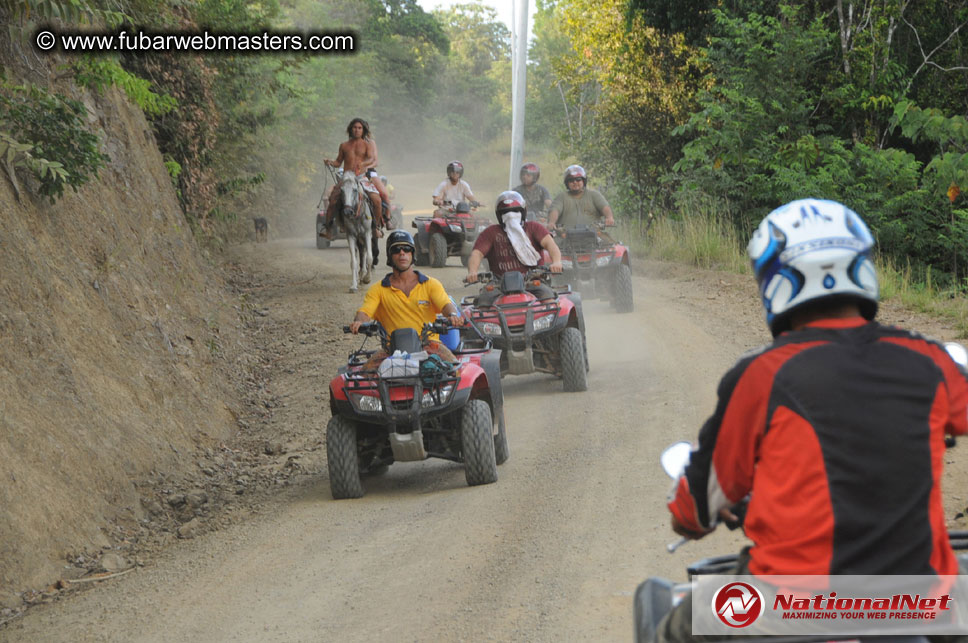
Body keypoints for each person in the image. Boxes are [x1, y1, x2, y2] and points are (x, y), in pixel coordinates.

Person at [658, 199, 968, 642]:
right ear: (862, 267)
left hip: (794, 607)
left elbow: (697, 507)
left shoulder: (761, 375)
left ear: (774, 280)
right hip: (921, 604)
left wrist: (688, 517)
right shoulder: (929, 359)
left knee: (674, 623)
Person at [350, 230, 464, 361]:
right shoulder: (378, 289)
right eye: (396, 250)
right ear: (390, 256)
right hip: (392, 350)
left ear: (412, 254)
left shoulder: (430, 284)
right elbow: (365, 312)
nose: (402, 253)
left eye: (407, 249)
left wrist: (452, 315)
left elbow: (445, 305)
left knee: (454, 368)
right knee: (365, 372)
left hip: (430, 346)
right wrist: (359, 321)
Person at [466, 191, 563, 306]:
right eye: (505, 213)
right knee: (483, 304)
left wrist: (557, 262)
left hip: (532, 280)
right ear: (499, 215)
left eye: (515, 211)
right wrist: (473, 272)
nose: (511, 216)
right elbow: (477, 254)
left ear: (523, 212)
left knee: (549, 300)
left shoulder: (534, 227)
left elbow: (551, 245)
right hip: (499, 284)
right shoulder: (491, 232)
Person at [322, 118, 383, 239]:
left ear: (363, 130)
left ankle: (375, 227)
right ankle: (328, 229)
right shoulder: (344, 145)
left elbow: (371, 158)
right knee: (332, 200)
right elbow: (338, 162)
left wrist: (363, 164)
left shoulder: (367, 144)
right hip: (347, 178)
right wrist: (330, 162)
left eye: (359, 128)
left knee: (377, 200)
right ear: (350, 129)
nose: (357, 130)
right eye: (354, 128)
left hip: (361, 178)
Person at [546, 164, 615, 230]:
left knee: (610, 239)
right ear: (567, 183)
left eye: (578, 179)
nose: (575, 182)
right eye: (571, 180)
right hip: (565, 234)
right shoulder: (561, 197)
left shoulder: (594, 194)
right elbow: (555, 209)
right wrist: (552, 222)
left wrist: (609, 217)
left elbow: (604, 207)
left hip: (594, 234)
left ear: (583, 181)